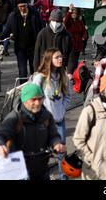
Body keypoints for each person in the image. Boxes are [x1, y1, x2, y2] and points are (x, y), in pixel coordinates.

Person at [0, 83, 66, 180]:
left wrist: (56, 143)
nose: (38, 103)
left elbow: (53, 135)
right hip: (19, 170)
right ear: (24, 100)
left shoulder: (47, 116)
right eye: (33, 99)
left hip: (42, 169)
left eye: (40, 99)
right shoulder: (14, 117)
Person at [32, 48, 73, 180]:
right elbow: (33, 98)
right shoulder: (40, 78)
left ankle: (63, 177)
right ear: (50, 60)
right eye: (57, 57)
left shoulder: (63, 76)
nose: (60, 59)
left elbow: (68, 96)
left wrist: (61, 108)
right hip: (43, 123)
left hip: (59, 121)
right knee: (42, 153)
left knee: (61, 152)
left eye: (61, 56)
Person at [1, 0, 43, 83]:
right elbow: (7, 29)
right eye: (20, 6)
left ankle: (35, 90)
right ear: (17, 6)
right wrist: (0, 38)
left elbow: (41, 28)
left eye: (24, 6)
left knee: (34, 71)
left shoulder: (34, 14)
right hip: (20, 48)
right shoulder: (13, 16)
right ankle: (23, 92)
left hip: (33, 47)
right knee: (22, 72)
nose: (22, 8)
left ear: (27, 5)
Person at [33, 8, 75, 78]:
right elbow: (37, 53)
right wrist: (36, 70)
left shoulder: (67, 35)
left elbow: (71, 54)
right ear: (50, 20)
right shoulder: (42, 33)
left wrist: (70, 71)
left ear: (61, 21)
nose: (55, 23)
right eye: (53, 20)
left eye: (57, 21)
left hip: (60, 69)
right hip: (45, 68)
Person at [64, 5, 87, 72]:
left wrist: (83, 37)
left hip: (78, 44)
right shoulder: (68, 22)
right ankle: (69, 75)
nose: (74, 14)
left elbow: (84, 31)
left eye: (75, 13)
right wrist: (70, 11)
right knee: (71, 62)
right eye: (73, 13)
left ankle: (74, 75)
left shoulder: (79, 22)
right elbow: (65, 21)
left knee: (75, 62)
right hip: (71, 45)